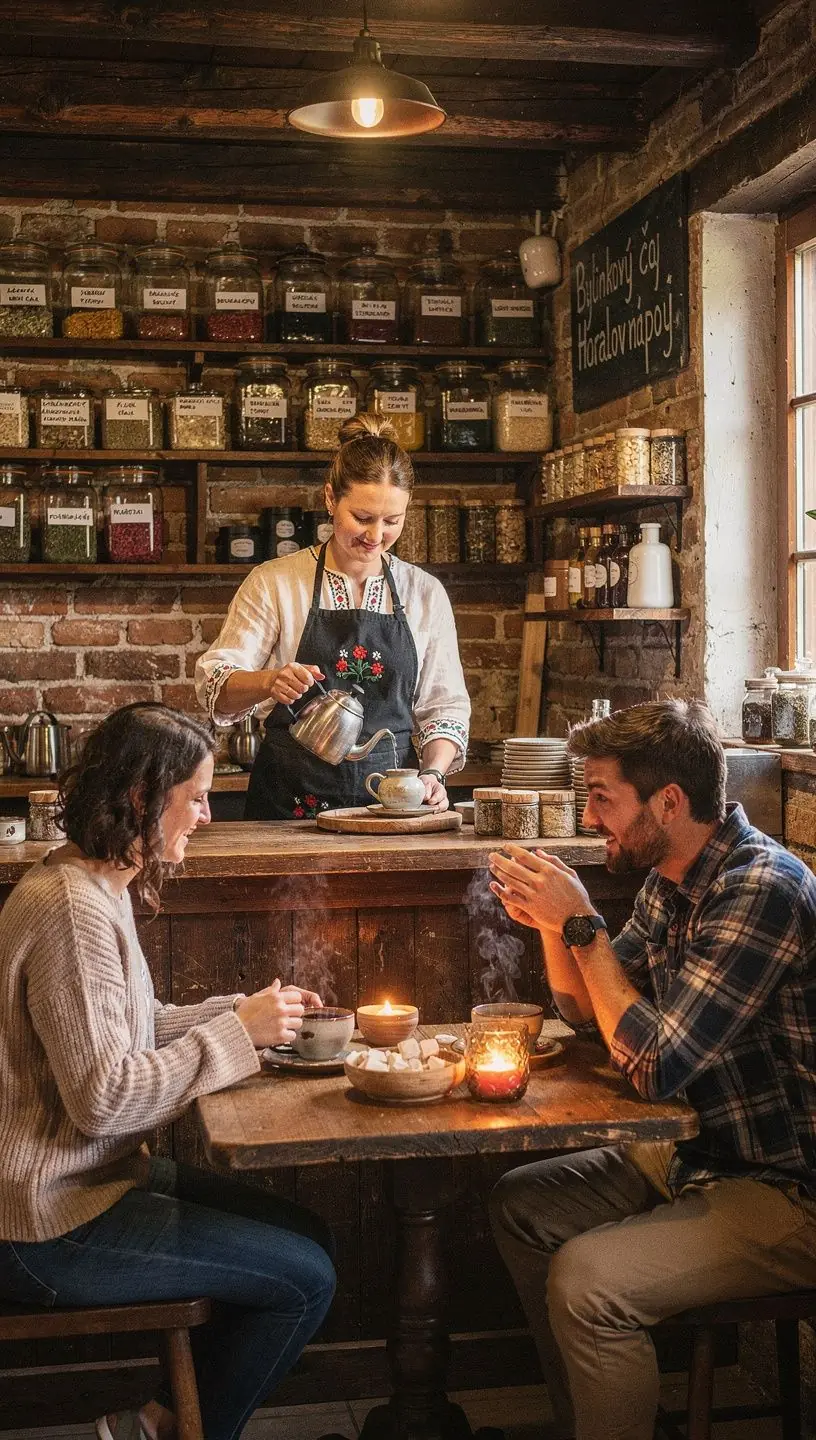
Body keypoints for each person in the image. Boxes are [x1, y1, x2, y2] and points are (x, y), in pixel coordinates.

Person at [0, 703, 337, 1440]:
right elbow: (104, 1098)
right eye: (198, 796)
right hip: (43, 1218)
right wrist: (234, 1037)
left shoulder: (93, 882)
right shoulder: (70, 908)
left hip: (89, 1182)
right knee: (305, 1278)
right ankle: (167, 1429)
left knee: (307, 1233)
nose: (208, 816)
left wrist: (249, 1015)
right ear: (141, 798)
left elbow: (137, 1027)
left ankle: (155, 1422)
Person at [486, 700, 816, 1440]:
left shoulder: (759, 888)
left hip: (789, 1184)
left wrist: (581, 925)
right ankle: (606, 1419)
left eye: (602, 797)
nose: (589, 815)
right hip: (703, 1152)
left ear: (668, 802)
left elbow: (656, 1064)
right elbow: (584, 1012)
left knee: (588, 1282)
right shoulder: (672, 876)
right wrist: (551, 925)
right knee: (523, 1204)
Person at [196, 413, 470, 820]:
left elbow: (443, 707)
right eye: (362, 518)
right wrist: (270, 682)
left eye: (392, 521)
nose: (375, 536)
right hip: (287, 809)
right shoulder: (275, 582)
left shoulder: (424, 593)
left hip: (389, 808)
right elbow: (214, 685)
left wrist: (432, 773)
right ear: (330, 499)